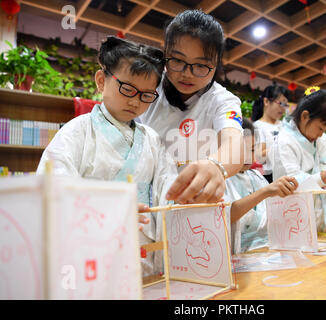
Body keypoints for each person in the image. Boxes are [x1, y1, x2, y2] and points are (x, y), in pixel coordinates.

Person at [36, 36, 177, 275]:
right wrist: (109, 212)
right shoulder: (76, 131)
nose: (135, 101)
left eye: (146, 95)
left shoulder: (152, 139)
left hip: (141, 250)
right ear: (101, 81)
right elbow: (51, 189)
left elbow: (168, 190)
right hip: (90, 247)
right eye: (128, 89)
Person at [137, 10, 244, 205]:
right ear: (166, 54)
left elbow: (234, 146)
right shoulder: (148, 86)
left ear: (216, 64)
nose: (187, 74)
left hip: (199, 204)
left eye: (201, 65)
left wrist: (216, 165)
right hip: (147, 202)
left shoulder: (223, 100)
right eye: (177, 61)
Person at [272, 87, 326, 231]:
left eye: (325, 130)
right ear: (305, 116)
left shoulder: (323, 139)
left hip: (323, 222)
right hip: (294, 224)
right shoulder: (284, 141)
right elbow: (290, 184)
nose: (321, 134)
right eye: (320, 128)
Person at [224, 119, 298, 254]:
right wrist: (266, 192)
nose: (248, 157)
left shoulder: (256, 177)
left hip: (265, 250)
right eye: (241, 150)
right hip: (236, 255)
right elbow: (225, 216)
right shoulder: (220, 180)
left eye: (252, 150)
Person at [251, 84, 289, 183]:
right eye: (280, 103)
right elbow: (259, 156)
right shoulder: (257, 126)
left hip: (287, 173)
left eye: (285, 105)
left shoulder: (284, 125)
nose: (283, 108)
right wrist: (281, 146)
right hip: (268, 177)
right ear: (266, 101)